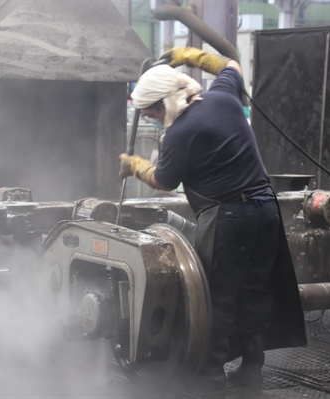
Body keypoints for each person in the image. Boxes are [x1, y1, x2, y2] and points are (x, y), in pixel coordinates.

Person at [119, 47, 306, 392]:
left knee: (217, 296)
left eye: (153, 114)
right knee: (254, 290)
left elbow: (163, 180)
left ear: (163, 104)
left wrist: (135, 165)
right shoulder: (221, 95)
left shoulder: (179, 134)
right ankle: (252, 368)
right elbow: (232, 65)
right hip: (266, 208)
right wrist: (190, 55)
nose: (156, 119)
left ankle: (210, 378)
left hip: (229, 217)